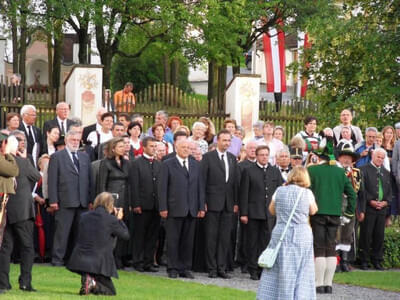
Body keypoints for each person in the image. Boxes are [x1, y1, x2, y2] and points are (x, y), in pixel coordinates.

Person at [257, 166, 318, 300]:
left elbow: (272, 210)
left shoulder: (279, 191)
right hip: (301, 233)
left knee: (278, 267)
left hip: (281, 231)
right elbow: (313, 211)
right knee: (301, 270)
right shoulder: (306, 193)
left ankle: (273, 296)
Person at [308, 135, 356, 294]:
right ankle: (328, 284)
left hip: (318, 213)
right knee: (330, 248)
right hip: (335, 214)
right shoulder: (340, 172)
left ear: (319, 156)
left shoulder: (312, 170)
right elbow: (352, 194)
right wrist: (349, 212)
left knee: (319, 248)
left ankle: (318, 283)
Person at [158, 139, 205, 279]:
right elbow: (162, 188)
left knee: (188, 240)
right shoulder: (167, 165)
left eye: (188, 147)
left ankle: (185, 267)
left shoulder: (196, 165)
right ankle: (172, 268)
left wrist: (201, 206)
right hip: (174, 208)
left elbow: (200, 187)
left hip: (191, 209)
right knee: (173, 240)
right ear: (176, 148)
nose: (186, 149)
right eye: (183, 147)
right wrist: (163, 207)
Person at [0, 132, 40, 293]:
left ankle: (3, 282)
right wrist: (24, 160)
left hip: (6, 209)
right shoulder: (21, 162)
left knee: (5, 247)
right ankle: (25, 282)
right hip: (22, 210)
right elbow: (37, 176)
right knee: (27, 247)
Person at [67, 192, 129, 295]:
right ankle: (93, 284)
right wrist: (119, 220)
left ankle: (88, 281)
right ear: (110, 205)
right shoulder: (111, 220)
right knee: (111, 292)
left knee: (94, 279)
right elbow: (125, 235)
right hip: (99, 262)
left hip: (80, 259)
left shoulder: (84, 216)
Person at [48, 130, 92, 266]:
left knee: (79, 232)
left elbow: (89, 179)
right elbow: (52, 179)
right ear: (66, 140)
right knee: (62, 232)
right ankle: (57, 259)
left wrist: (90, 199)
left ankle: (74, 260)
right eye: (73, 140)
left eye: (77, 140)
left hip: (82, 201)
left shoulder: (84, 157)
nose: (75, 142)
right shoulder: (57, 156)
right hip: (65, 200)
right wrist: (53, 200)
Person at [240, 145, 284, 280]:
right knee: (252, 241)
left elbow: (279, 192)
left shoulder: (275, 171)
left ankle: (262, 267)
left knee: (266, 241)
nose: (264, 157)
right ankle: (252, 268)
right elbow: (244, 193)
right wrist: (244, 213)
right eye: (262, 155)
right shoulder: (249, 171)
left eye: (266, 155)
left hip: (269, 213)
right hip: (253, 212)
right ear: (257, 156)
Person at [202, 129, 239, 279]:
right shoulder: (208, 157)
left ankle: (221, 267)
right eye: (224, 140)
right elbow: (202, 181)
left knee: (224, 237)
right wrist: (203, 201)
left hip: (228, 204)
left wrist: (235, 202)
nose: (227, 143)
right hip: (212, 203)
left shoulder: (232, 158)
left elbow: (234, 182)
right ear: (217, 141)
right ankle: (211, 267)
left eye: (229, 141)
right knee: (211, 236)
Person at [97, 137, 130, 269]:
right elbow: (102, 184)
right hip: (111, 199)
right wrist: (104, 203)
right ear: (113, 148)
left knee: (122, 228)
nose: (123, 148)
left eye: (124, 146)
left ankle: (119, 257)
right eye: (120, 146)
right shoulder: (106, 163)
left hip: (124, 199)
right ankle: (108, 258)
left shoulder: (126, 163)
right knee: (110, 229)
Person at [130, 137, 161, 272]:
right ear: (144, 147)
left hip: (156, 205)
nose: (154, 149)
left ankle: (148, 261)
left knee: (152, 235)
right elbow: (134, 185)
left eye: (155, 146)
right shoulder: (136, 164)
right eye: (151, 146)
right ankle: (138, 261)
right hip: (142, 205)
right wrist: (136, 203)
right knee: (140, 234)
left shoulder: (159, 164)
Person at [358, 148, 391, 270]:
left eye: (382, 158)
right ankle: (364, 260)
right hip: (368, 208)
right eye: (378, 157)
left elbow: (389, 191)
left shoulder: (386, 172)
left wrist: (385, 202)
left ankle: (377, 260)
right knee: (366, 234)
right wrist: (370, 200)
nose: (380, 160)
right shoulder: (363, 170)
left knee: (379, 235)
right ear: (373, 156)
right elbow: (362, 190)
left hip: (382, 209)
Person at [335, 142, 361, 272]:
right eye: (344, 156)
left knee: (348, 233)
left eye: (349, 157)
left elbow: (359, 192)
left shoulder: (356, 172)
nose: (346, 159)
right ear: (339, 158)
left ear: (352, 160)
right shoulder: (334, 170)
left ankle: (345, 261)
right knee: (336, 233)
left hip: (350, 206)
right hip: (336, 204)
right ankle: (336, 262)